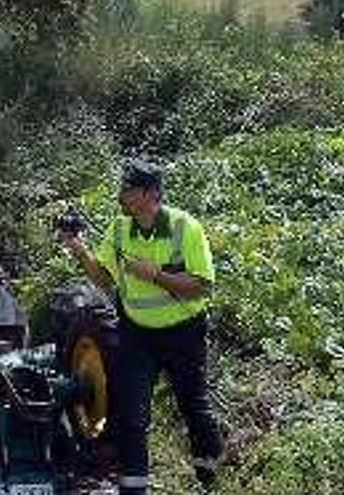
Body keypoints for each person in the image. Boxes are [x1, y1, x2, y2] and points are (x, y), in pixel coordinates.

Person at [60, 159, 224, 494]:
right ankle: (134, 489)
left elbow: (203, 286)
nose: (122, 195)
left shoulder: (185, 227)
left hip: (184, 333)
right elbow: (104, 280)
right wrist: (80, 252)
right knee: (131, 419)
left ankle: (211, 479)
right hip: (138, 336)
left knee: (195, 410)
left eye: (129, 189)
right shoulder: (120, 229)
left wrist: (156, 276)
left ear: (150, 194)